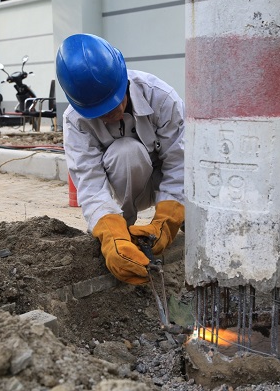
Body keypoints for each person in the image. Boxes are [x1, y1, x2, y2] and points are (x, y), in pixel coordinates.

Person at [56, 33, 185, 285]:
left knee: (197, 195)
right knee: (126, 152)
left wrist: (165, 223)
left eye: (113, 104)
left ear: (123, 79)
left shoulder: (160, 97)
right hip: (122, 185)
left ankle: (180, 220)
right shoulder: (75, 120)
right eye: (99, 112)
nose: (109, 115)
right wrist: (110, 233)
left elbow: (180, 164)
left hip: (161, 180)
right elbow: (90, 182)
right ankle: (122, 233)